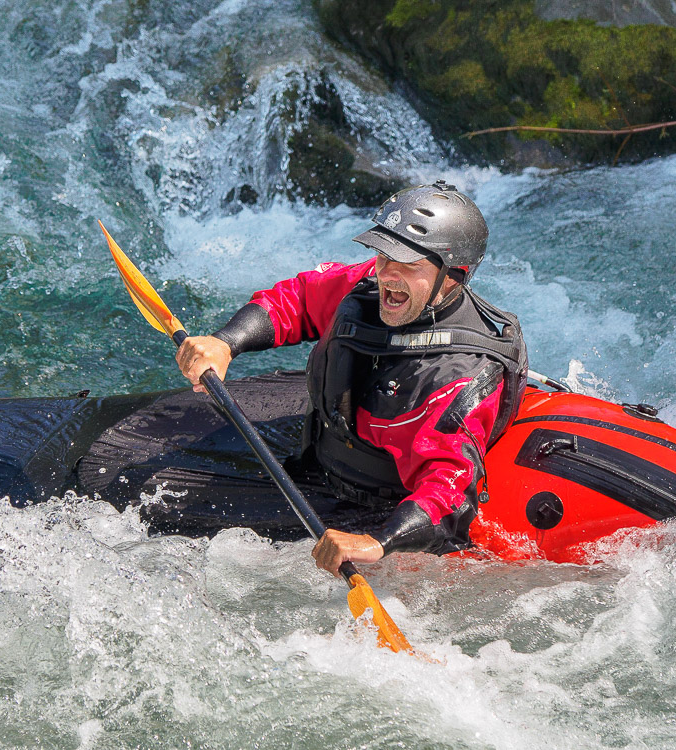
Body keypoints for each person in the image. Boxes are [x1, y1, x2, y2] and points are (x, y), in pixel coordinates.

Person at [175, 180, 527, 577]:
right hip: (322, 455)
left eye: (409, 264)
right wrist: (226, 343)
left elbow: (448, 486)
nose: (388, 275)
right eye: (383, 254)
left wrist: (379, 543)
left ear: (454, 276)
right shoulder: (370, 285)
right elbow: (299, 300)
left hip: (377, 510)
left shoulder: (459, 377)